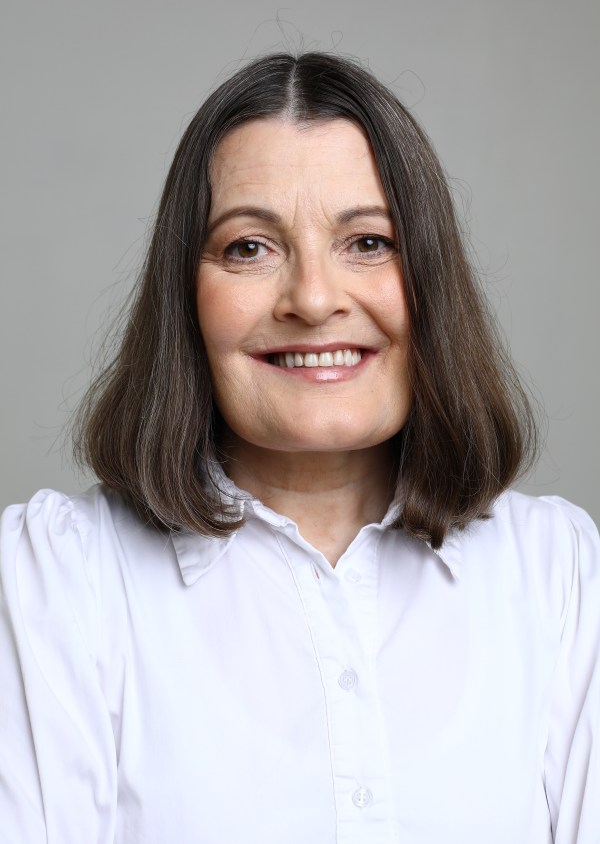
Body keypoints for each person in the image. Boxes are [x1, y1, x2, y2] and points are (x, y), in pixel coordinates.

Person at [1, 52, 598, 844]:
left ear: (432, 280)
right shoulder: (56, 580)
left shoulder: (559, 577)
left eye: (369, 242)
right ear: (186, 296)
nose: (314, 300)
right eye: (250, 247)